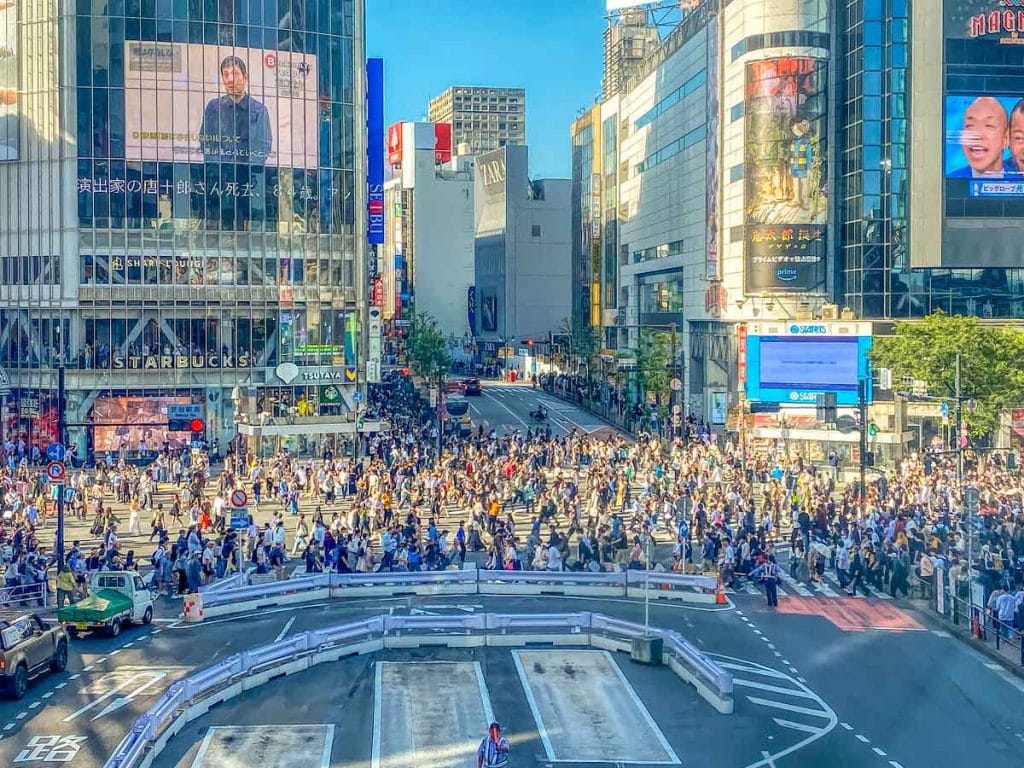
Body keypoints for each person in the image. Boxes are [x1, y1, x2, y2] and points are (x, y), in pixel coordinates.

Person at [950, 96, 1009, 178]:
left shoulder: (1019, 179)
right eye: (969, 125)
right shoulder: (952, 181)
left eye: (989, 125)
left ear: (1006, 139)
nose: (976, 135)